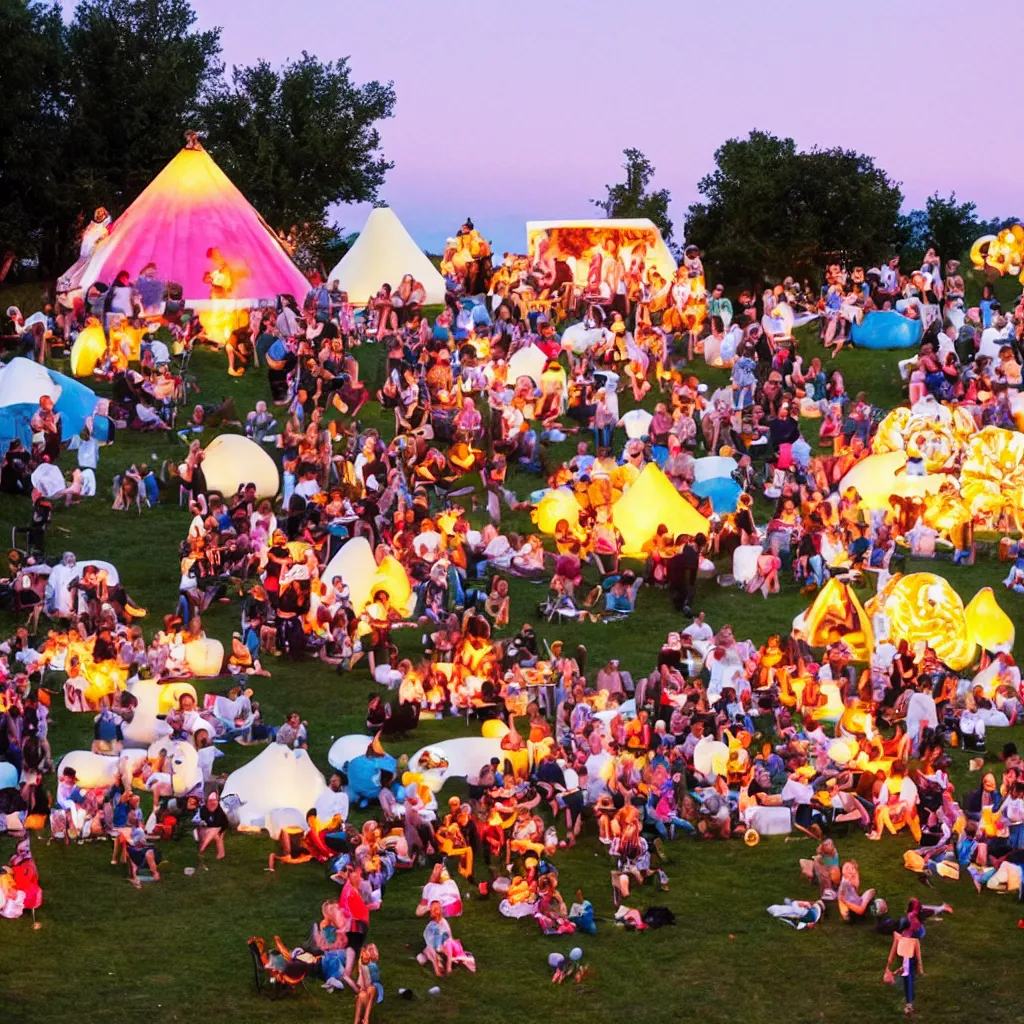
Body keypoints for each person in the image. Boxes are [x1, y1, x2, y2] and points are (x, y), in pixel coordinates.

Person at [884, 914, 924, 1016]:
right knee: (907, 977)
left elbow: (916, 951)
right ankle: (909, 1003)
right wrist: (888, 967)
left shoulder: (913, 938)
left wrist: (919, 966)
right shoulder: (899, 936)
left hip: (910, 959)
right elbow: (893, 950)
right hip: (908, 959)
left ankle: (909, 1004)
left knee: (908, 976)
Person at [197, 791, 229, 864]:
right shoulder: (203, 809)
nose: (213, 802)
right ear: (207, 802)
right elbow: (203, 820)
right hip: (209, 827)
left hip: (220, 828)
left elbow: (218, 826)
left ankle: (201, 850)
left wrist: (210, 830)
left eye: (215, 800)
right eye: (211, 800)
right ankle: (220, 853)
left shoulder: (219, 812)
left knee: (215, 833)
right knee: (204, 831)